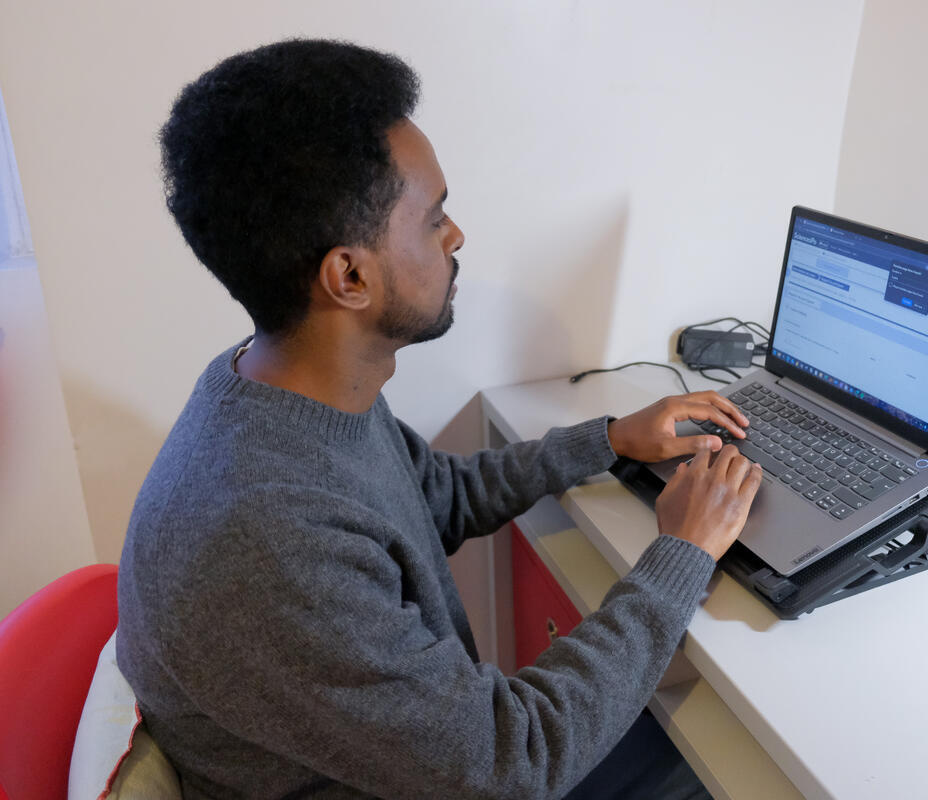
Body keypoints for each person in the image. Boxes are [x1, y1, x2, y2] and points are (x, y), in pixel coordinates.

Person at [116, 38, 762, 800]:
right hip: (467, 772)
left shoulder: (285, 382)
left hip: (439, 756)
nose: (456, 237)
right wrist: (683, 553)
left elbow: (439, 498)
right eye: (433, 219)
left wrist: (610, 440)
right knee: (726, 758)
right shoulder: (270, 537)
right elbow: (514, 764)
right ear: (349, 276)